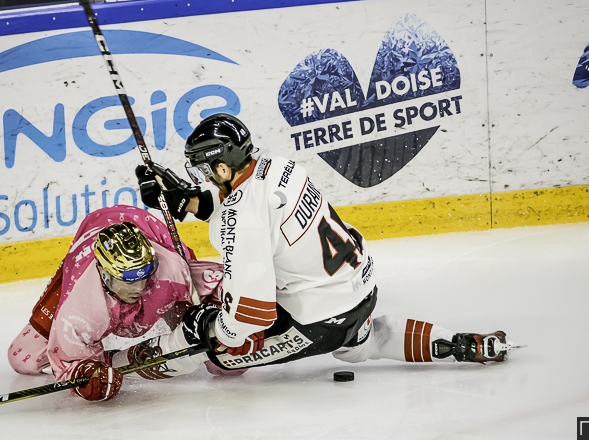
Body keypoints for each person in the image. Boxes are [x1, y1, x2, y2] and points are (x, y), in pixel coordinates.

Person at [132, 114, 517, 379]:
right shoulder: (279, 167)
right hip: (360, 290)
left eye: (203, 170)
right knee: (364, 341)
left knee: (216, 348)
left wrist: (217, 330)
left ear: (221, 168)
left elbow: (251, 313)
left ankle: (134, 361)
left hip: (320, 319)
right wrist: (189, 201)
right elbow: (255, 209)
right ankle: (458, 343)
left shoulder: (242, 218)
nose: (201, 177)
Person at [7, 204, 234, 402]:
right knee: (21, 359)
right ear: (105, 276)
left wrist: (234, 320)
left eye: (144, 274)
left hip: (146, 230)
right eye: (128, 280)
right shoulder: (80, 304)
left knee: (223, 360)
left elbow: (223, 282)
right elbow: (67, 363)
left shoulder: (169, 270)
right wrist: (85, 373)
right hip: (94, 234)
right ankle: (103, 357)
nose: (138, 287)